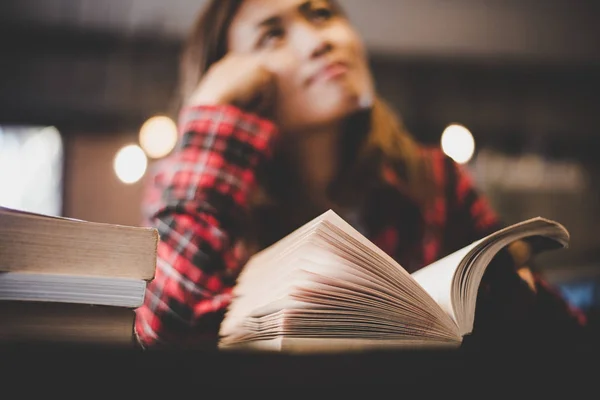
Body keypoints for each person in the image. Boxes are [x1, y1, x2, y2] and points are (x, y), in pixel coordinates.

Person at [134, 0, 587, 350]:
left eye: (322, 14)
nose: (318, 41)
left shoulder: (435, 180)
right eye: (272, 37)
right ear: (232, 82)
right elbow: (165, 333)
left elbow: (561, 337)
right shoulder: (201, 194)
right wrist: (210, 120)